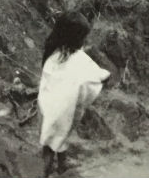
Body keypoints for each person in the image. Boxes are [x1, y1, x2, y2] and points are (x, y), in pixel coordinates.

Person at [38, 11, 110, 177]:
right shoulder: (78, 58)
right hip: (65, 113)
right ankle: (51, 169)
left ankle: (56, 167)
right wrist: (105, 76)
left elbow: (47, 82)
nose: (84, 41)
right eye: (82, 38)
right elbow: (98, 76)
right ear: (75, 39)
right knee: (59, 139)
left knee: (49, 142)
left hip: (47, 109)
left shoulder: (52, 54)